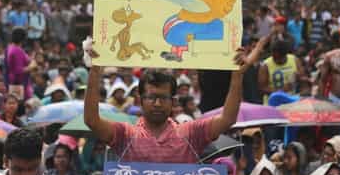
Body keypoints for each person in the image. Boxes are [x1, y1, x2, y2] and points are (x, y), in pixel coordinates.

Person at [83, 35, 267, 163]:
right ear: (140, 99)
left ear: (173, 101)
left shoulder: (189, 133)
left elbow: (227, 119)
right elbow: (92, 120)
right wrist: (95, 71)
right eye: (151, 97)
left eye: (163, 98)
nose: (157, 103)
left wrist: (237, 77)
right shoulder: (126, 135)